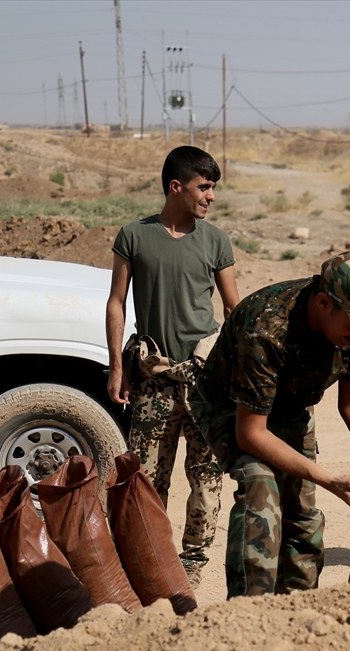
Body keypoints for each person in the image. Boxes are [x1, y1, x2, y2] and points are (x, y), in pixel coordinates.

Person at [190, 251, 350, 597]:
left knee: (302, 519)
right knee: (261, 492)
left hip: (290, 407)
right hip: (230, 407)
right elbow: (251, 433)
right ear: (323, 303)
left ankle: (300, 609)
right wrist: (330, 480)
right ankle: (247, 611)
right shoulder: (266, 327)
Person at [105, 146, 240, 585]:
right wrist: (116, 367)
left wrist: (240, 372)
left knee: (206, 477)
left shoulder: (215, 240)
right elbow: (116, 303)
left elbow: (233, 309)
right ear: (176, 187)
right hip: (153, 379)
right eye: (204, 187)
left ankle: (192, 566)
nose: (211, 196)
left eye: (213, 188)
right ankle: (150, 559)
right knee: (146, 479)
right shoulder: (133, 236)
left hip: (205, 380)